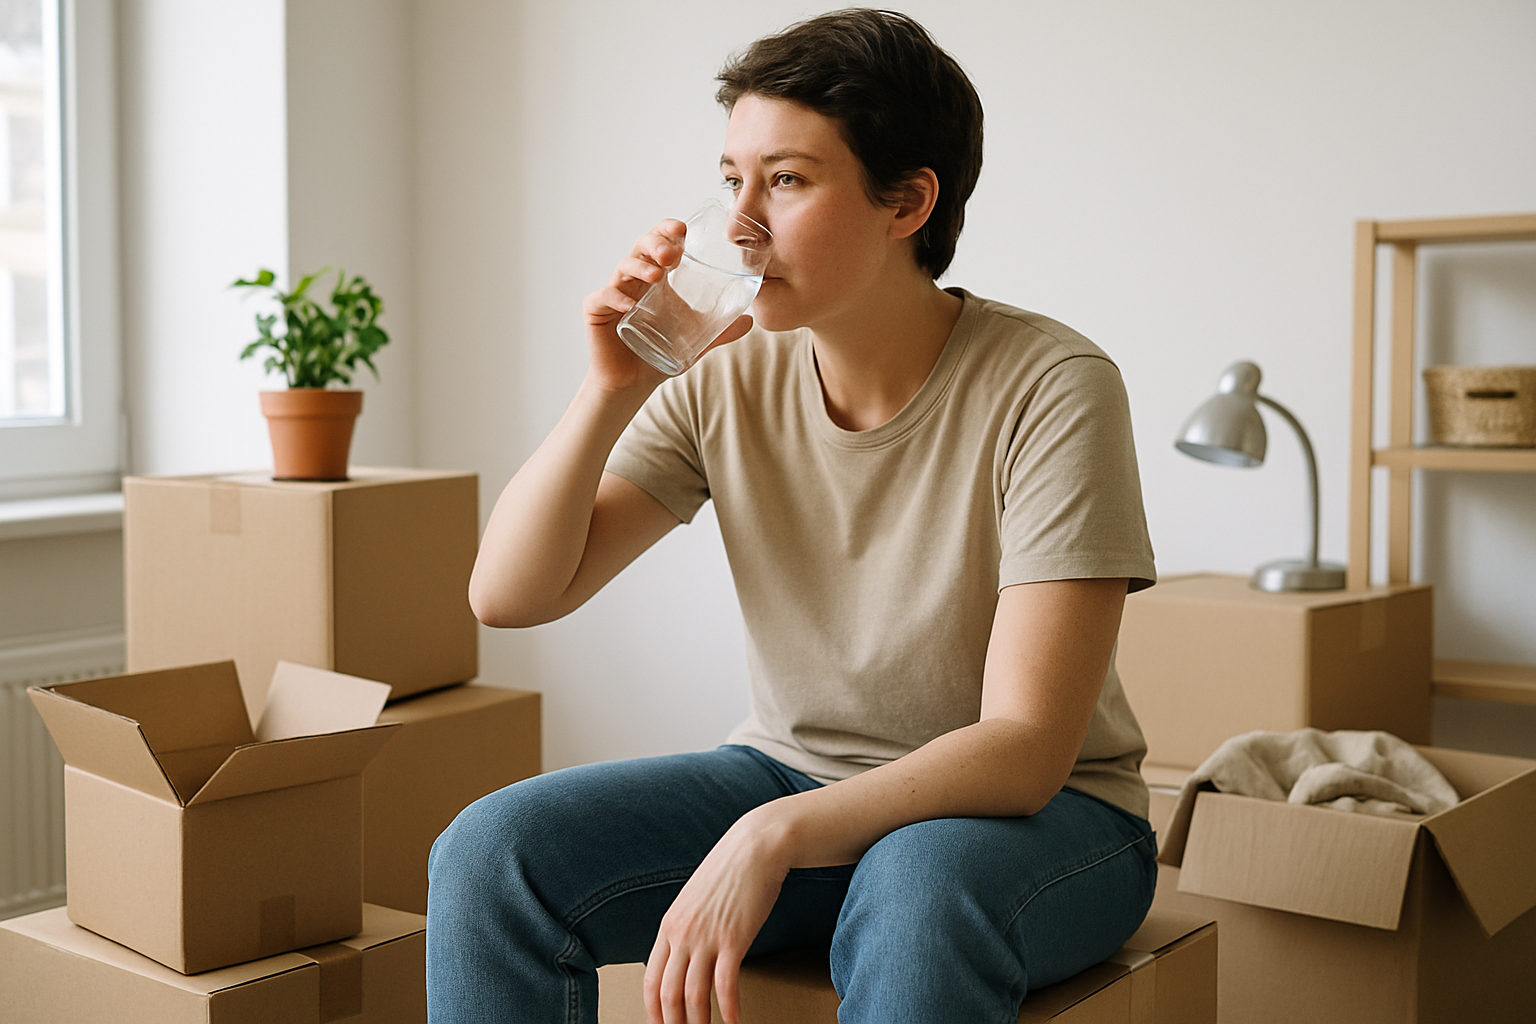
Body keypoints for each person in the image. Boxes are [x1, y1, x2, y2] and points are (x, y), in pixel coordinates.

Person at [427, 9, 1158, 1024]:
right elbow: (508, 594)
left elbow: (1027, 747)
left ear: (907, 201)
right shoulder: (722, 372)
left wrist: (773, 833)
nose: (738, 223)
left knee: (919, 886)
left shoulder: (1053, 384)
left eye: (787, 179)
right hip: (787, 769)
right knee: (490, 853)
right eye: (734, 177)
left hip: (1045, 819)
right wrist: (610, 390)